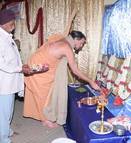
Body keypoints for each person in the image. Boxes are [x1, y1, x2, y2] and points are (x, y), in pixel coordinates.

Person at [23, 30, 100, 128]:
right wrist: (90, 81)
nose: (81, 46)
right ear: (76, 40)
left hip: (39, 62)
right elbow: (75, 70)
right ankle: (45, 120)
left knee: (47, 92)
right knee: (43, 93)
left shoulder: (64, 40)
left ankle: (43, 117)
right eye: (81, 43)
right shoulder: (66, 47)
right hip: (37, 67)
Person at [0, 9, 31, 143]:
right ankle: (3, 138)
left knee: (9, 110)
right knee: (3, 112)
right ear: (3, 23)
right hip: (4, 83)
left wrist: (20, 67)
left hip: (10, 82)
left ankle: (6, 130)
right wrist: (19, 68)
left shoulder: (7, 36)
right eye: (11, 21)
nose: (14, 24)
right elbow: (2, 63)